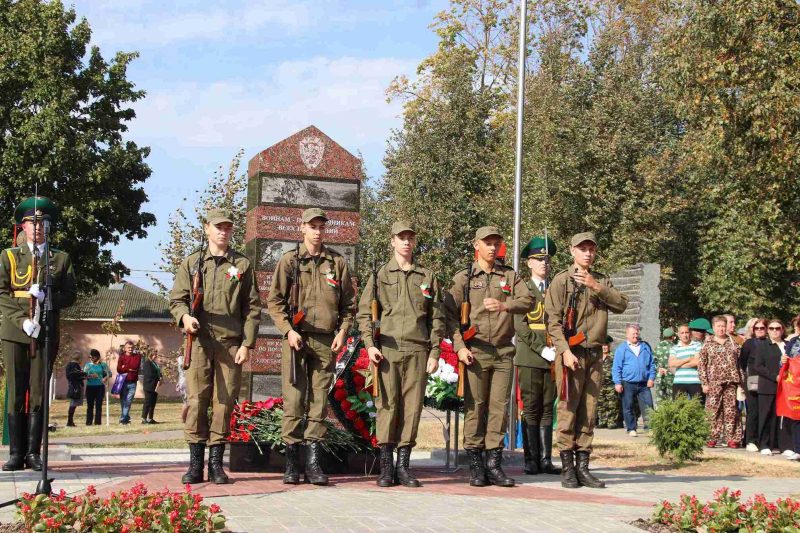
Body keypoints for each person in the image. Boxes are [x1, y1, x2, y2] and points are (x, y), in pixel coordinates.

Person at [170, 208, 261, 485]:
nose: (223, 231)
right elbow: (177, 300)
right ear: (207, 229)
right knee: (197, 401)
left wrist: (247, 343)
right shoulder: (192, 263)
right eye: (218, 227)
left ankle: (216, 465)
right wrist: (185, 318)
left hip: (230, 344)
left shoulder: (242, 265)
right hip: (198, 343)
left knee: (224, 402)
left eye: (228, 227)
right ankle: (195, 464)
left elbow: (252, 308)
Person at [267, 208, 355, 486]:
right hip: (297, 339)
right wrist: (288, 331)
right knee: (294, 400)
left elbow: (349, 305)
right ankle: (292, 463)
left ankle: (314, 463)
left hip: (326, 340)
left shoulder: (337, 263)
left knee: (319, 402)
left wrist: (342, 332)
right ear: (302, 228)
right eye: (312, 226)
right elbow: (275, 302)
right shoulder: (290, 261)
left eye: (321, 227)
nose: (317, 231)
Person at [444, 226, 534, 488]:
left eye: (496, 243)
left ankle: (494, 464)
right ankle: (475, 465)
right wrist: (460, 346)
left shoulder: (509, 276)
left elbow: (527, 301)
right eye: (487, 243)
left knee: (499, 409)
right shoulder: (465, 278)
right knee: (476, 407)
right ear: (476, 245)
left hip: (503, 351)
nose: (493, 247)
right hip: (476, 351)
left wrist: (506, 305)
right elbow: (449, 316)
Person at [356, 221, 445, 487]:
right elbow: (364, 314)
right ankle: (386, 467)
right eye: (401, 237)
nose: (406, 242)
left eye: (410, 237)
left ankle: (404, 467)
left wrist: (435, 351)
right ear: (392, 241)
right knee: (388, 405)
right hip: (388, 351)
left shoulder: (426, 277)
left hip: (418, 349)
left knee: (412, 407)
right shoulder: (380, 275)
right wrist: (370, 345)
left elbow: (436, 318)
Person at [544, 232, 628, 489]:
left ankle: (584, 468)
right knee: (569, 410)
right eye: (583, 249)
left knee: (589, 413)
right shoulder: (561, 281)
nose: (588, 253)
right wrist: (564, 352)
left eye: (591, 249)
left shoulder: (601, 280)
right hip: (572, 354)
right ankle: (568, 468)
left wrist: (596, 286)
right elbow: (552, 321)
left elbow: (622, 304)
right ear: (572, 251)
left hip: (594, 354)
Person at [0, 196, 76, 471]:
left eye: (43, 222)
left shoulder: (60, 258)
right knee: (17, 390)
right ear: (23, 227)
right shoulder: (8, 256)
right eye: (32, 222)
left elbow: (70, 295)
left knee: (39, 390)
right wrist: (21, 320)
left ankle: (33, 453)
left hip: (45, 330)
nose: (38, 227)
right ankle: (16, 453)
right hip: (15, 330)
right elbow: (1, 292)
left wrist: (47, 296)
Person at [513, 235, 560, 475]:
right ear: (528, 263)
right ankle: (530, 459)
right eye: (538, 259)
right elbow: (520, 325)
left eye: (547, 260)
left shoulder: (555, 289)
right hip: (531, 356)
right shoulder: (523, 289)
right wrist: (541, 348)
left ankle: (545, 459)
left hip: (553, 357)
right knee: (531, 407)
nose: (544, 264)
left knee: (547, 409)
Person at [698, 315, 744, 448]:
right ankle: (712, 436)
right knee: (713, 410)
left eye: (723, 326)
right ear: (713, 328)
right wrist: (704, 383)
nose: (721, 329)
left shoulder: (734, 343)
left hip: (731, 382)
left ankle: (732, 438)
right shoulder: (708, 344)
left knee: (732, 411)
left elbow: (739, 363)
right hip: (714, 382)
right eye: (718, 326)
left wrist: (741, 382)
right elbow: (702, 365)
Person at [612, 324, 655, 437]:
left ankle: (650, 428)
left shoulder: (645, 347)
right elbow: (616, 367)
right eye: (633, 334)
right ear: (627, 335)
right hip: (628, 383)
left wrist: (651, 378)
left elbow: (652, 364)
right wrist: (617, 382)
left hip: (644, 383)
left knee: (648, 406)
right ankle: (631, 428)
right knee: (628, 406)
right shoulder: (622, 349)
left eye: (637, 333)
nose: (636, 336)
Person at [752, 319, 786, 455]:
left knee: (781, 417)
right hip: (767, 386)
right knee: (766, 416)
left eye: (777, 328)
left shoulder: (787, 345)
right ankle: (764, 444)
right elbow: (758, 366)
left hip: (786, 388)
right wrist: (775, 377)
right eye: (771, 328)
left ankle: (778, 445)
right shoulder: (762, 345)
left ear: (782, 330)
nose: (774, 331)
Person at [740, 318, 767, 451]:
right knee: (753, 411)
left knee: (765, 410)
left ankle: (764, 440)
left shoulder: (770, 343)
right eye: (757, 328)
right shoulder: (749, 343)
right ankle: (750, 440)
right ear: (753, 330)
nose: (760, 330)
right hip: (753, 379)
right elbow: (742, 362)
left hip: (768, 380)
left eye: (762, 328)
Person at [669, 324, 704, 403]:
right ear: (678, 335)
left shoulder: (697, 345)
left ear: (690, 333)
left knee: (697, 407)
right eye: (682, 333)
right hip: (678, 382)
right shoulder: (674, 348)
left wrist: (679, 364)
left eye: (686, 332)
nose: (685, 335)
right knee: (679, 409)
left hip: (695, 381)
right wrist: (688, 359)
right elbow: (671, 364)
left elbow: (697, 362)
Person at [116, 341, 141, 425]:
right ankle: (126, 419)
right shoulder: (121, 357)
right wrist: (128, 369)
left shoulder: (137, 356)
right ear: (125, 348)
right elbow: (119, 369)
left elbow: (135, 366)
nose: (130, 349)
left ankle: (123, 419)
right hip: (123, 381)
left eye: (131, 348)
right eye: (128, 348)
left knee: (128, 401)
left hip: (132, 382)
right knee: (123, 401)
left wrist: (125, 367)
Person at [83, 349, 109, 426]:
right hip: (90, 387)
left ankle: (98, 422)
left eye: (93, 357)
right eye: (90, 357)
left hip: (100, 387)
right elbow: (84, 376)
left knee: (98, 405)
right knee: (90, 405)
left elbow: (109, 373)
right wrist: (90, 376)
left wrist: (105, 378)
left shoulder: (103, 365)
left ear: (97, 357)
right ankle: (89, 422)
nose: (91, 359)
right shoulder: (88, 365)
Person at [653, 328, 675, 404]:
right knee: (672, 400)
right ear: (673, 337)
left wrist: (658, 369)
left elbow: (652, 363)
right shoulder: (674, 348)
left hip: (660, 376)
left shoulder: (657, 348)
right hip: (671, 377)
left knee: (660, 400)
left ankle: (660, 415)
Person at [64, 352, 87, 427]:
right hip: (75, 387)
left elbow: (72, 375)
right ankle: (69, 422)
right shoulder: (75, 365)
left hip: (72, 386)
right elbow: (76, 374)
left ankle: (70, 421)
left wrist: (84, 375)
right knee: (73, 405)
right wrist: (84, 373)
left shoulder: (69, 365)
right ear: (79, 358)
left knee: (73, 405)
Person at [140, 351, 162, 424]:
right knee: (147, 402)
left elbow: (158, 371)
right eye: (154, 354)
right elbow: (149, 374)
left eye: (156, 354)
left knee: (153, 402)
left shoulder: (154, 363)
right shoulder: (147, 363)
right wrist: (158, 378)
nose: (156, 356)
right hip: (149, 385)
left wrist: (161, 377)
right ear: (151, 355)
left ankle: (150, 418)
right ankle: (143, 418)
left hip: (155, 386)